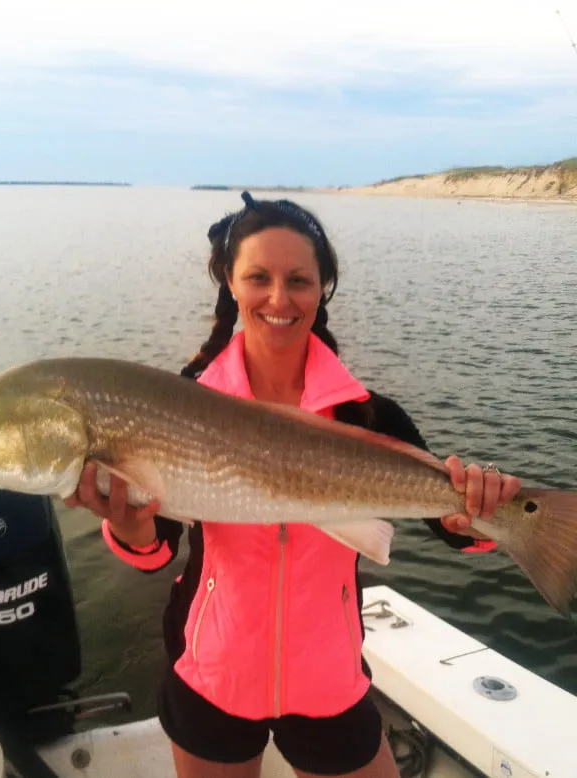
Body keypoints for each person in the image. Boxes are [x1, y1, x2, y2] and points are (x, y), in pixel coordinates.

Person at [65, 191, 522, 778]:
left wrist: (484, 514)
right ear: (230, 281)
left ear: (323, 288)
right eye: (259, 277)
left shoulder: (368, 418)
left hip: (329, 680)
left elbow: (451, 526)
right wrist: (129, 527)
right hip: (213, 674)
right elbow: (155, 553)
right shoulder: (179, 404)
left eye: (299, 281)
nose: (279, 299)